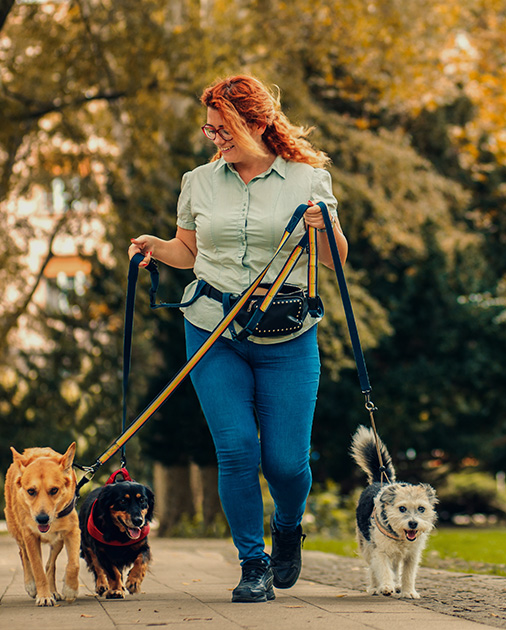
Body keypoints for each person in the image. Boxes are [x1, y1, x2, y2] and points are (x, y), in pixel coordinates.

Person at [128, 74, 347, 603]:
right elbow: (189, 252)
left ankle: (289, 525)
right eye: (210, 130)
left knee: (287, 464)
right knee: (236, 450)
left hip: (288, 335)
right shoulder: (198, 182)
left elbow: (334, 260)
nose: (215, 139)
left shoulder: (307, 179)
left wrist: (326, 227)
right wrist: (157, 247)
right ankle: (253, 564)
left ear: (256, 123)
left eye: (223, 129)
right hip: (212, 329)